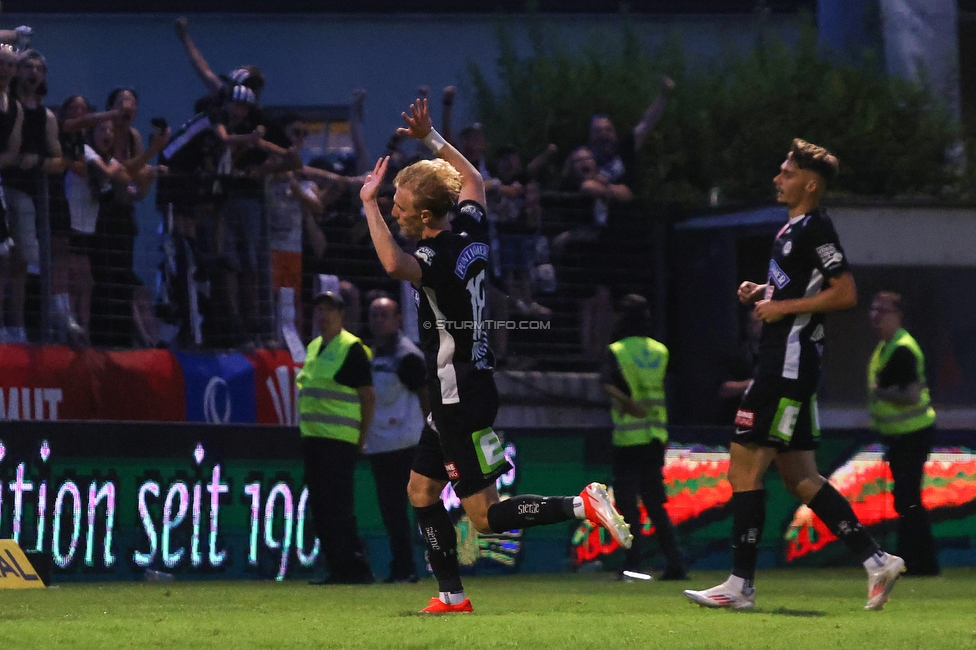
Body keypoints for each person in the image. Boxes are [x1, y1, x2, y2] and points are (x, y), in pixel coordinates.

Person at [360, 97, 632, 614]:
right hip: (467, 387)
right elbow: (476, 183)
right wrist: (433, 138)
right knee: (420, 491)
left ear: (423, 214)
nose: (392, 204)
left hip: (457, 394)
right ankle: (451, 595)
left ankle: (583, 504)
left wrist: (367, 203)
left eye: (398, 200)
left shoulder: (434, 254)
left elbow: (393, 264)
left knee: (484, 518)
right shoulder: (468, 233)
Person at [683, 139, 905, 611]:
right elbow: (804, 288)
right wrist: (765, 290)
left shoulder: (816, 228)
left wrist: (782, 305)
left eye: (785, 172)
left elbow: (844, 292)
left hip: (786, 365)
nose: (777, 179)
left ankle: (739, 585)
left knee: (742, 466)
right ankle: (876, 560)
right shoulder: (791, 230)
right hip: (788, 364)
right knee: (801, 477)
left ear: (808, 183)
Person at [602, 294, 687, 581]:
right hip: (655, 435)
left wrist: (627, 403)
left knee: (627, 505)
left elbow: (606, 383)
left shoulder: (617, 350)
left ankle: (632, 563)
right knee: (654, 503)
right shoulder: (660, 351)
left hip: (628, 438)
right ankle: (675, 562)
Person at [296, 290, 375, 585]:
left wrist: (361, 438)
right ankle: (337, 567)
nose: (323, 315)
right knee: (321, 506)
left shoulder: (350, 348)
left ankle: (354, 567)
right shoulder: (315, 346)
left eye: (329, 309)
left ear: (341, 315)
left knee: (337, 507)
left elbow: (368, 397)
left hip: (339, 441)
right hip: (315, 439)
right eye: (319, 309)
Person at [867, 291, 940, 576]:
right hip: (901, 435)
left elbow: (910, 396)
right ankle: (915, 561)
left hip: (912, 433)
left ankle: (920, 563)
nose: (875, 316)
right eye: (873, 310)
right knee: (906, 498)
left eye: (882, 311)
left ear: (898, 315)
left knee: (908, 499)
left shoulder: (902, 348)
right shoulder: (886, 347)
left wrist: (880, 393)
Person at [363, 296, 428, 583]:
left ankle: (413, 566)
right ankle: (401, 566)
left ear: (398, 320)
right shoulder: (369, 354)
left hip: (405, 443)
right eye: (374, 315)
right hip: (379, 445)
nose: (378, 321)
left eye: (384, 315)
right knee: (391, 512)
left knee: (411, 510)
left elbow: (426, 396)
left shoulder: (407, 356)